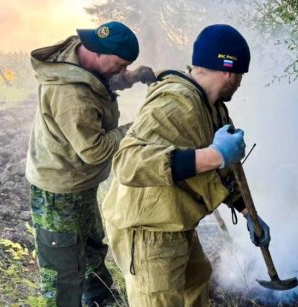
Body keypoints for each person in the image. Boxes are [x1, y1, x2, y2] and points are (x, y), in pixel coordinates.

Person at [101, 24, 271, 306]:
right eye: (240, 74)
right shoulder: (177, 103)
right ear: (229, 71)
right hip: (148, 232)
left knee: (195, 283)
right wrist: (213, 155)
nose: (240, 82)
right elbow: (128, 163)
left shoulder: (212, 106)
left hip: (174, 222)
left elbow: (223, 171)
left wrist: (247, 213)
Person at [25, 21, 140, 306]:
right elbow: (96, 150)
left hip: (79, 180)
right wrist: (135, 130)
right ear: (99, 53)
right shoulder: (70, 95)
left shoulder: (83, 58)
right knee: (62, 266)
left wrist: (131, 77)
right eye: (121, 64)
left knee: (90, 243)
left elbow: (100, 81)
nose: (122, 70)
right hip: (58, 189)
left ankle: (98, 297)